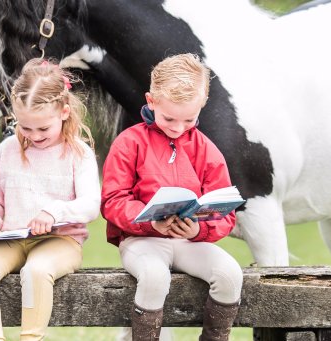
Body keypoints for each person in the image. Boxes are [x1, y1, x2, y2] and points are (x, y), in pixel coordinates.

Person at [101, 53, 243, 341]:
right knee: (154, 276)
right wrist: (151, 224)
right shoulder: (130, 142)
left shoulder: (206, 149)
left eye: (189, 119)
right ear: (151, 101)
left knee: (230, 274)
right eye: (169, 118)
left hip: (188, 240)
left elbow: (225, 213)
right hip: (141, 240)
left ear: (201, 106)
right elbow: (113, 201)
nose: (178, 128)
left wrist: (199, 229)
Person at [0, 58, 101, 341]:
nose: (34, 136)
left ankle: (30, 337)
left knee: (36, 271)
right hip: (11, 239)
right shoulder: (7, 150)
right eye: (25, 128)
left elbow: (90, 205)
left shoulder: (79, 153)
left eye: (43, 129)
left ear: (64, 112)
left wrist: (53, 212)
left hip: (60, 241)